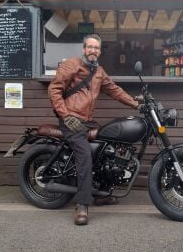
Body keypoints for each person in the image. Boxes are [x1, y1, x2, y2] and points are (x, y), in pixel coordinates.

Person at [48, 34, 140, 226]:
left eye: (96, 48)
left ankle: (103, 194)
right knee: (85, 158)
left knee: (109, 148)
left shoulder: (99, 71)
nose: (93, 51)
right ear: (84, 49)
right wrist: (65, 115)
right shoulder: (71, 65)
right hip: (71, 119)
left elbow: (114, 90)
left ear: (99, 51)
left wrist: (135, 104)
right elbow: (54, 89)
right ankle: (82, 205)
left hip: (87, 121)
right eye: (90, 47)